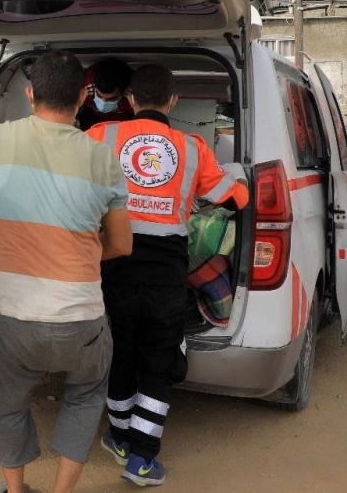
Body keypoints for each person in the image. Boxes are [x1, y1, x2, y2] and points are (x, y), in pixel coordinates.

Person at [0, 51, 133, 493]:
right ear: (83, 95)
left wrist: (7, 221)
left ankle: (15, 489)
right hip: (80, 319)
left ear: (30, 94)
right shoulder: (102, 158)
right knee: (86, 398)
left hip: (10, 315)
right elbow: (122, 245)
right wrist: (80, 249)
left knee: (10, 404)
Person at [87, 64, 248, 487]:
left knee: (120, 349)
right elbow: (232, 198)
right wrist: (240, 182)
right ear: (173, 101)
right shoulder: (192, 148)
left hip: (113, 261)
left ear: (131, 100)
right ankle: (141, 459)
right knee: (158, 360)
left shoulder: (100, 136)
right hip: (165, 268)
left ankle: (119, 437)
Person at [76, 57, 134, 131]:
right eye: (99, 96)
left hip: (124, 121)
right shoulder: (85, 85)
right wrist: (78, 103)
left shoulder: (133, 92)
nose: (104, 102)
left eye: (112, 99)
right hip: (92, 116)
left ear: (123, 92)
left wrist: (135, 106)